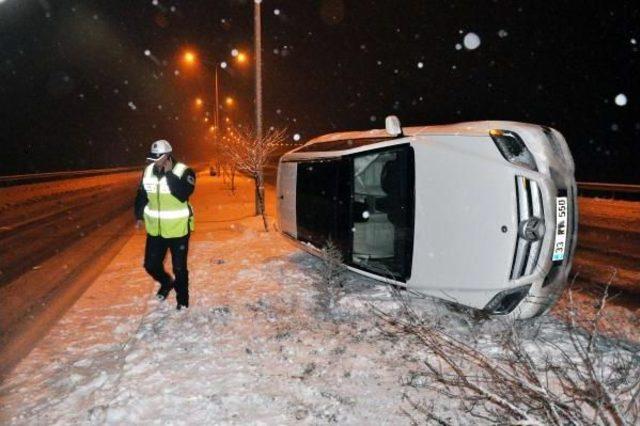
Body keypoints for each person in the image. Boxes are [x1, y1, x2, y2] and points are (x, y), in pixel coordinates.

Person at [134, 139, 196, 310]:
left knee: (179, 268)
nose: (154, 162)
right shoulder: (148, 171)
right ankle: (166, 282)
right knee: (150, 265)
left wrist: (169, 175)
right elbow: (142, 195)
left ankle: (182, 302)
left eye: (158, 158)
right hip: (156, 229)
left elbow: (183, 194)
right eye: (152, 159)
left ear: (168, 156)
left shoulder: (184, 171)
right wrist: (139, 216)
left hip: (178, 229)